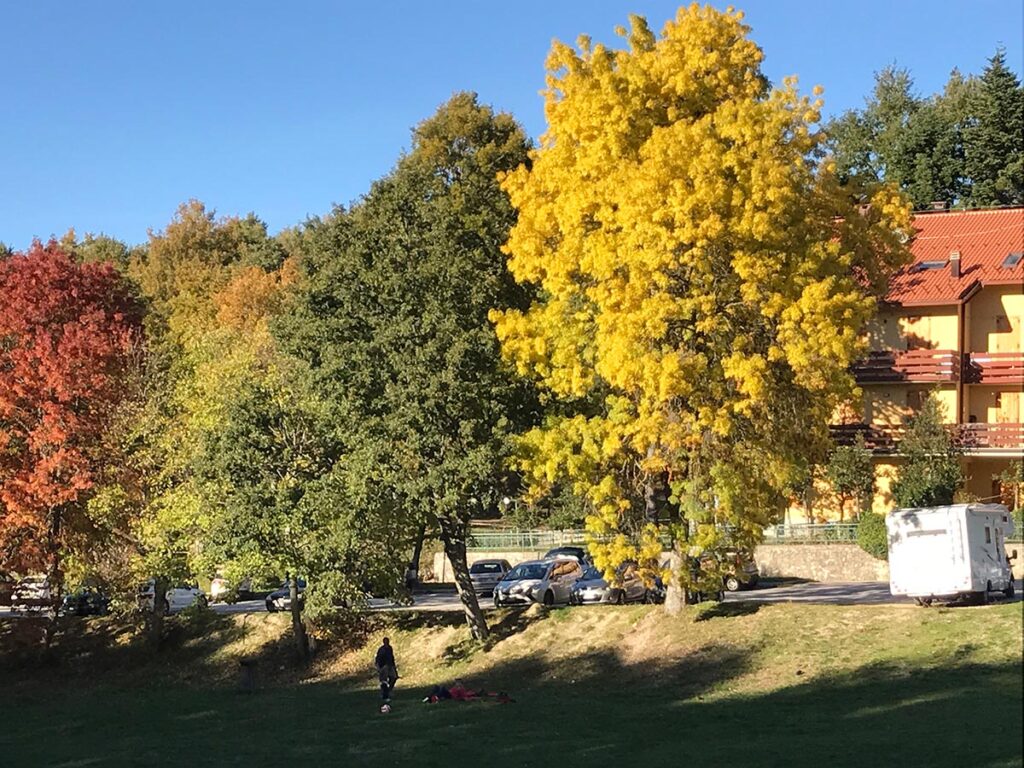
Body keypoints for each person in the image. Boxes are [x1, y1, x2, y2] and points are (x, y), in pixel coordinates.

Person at [375, 637, 398, 702]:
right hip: (384, 666)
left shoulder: (390, 648)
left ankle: (389, 690)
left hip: (390, 665)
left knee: (394, 677)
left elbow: (392, 657)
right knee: (384, 681)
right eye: (385, 641)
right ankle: (385, 694)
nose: (387, 642)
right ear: (383, 642)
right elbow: (378, 658)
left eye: (387, 641)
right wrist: (378, 667)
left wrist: (393, 665)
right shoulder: (381, 649)